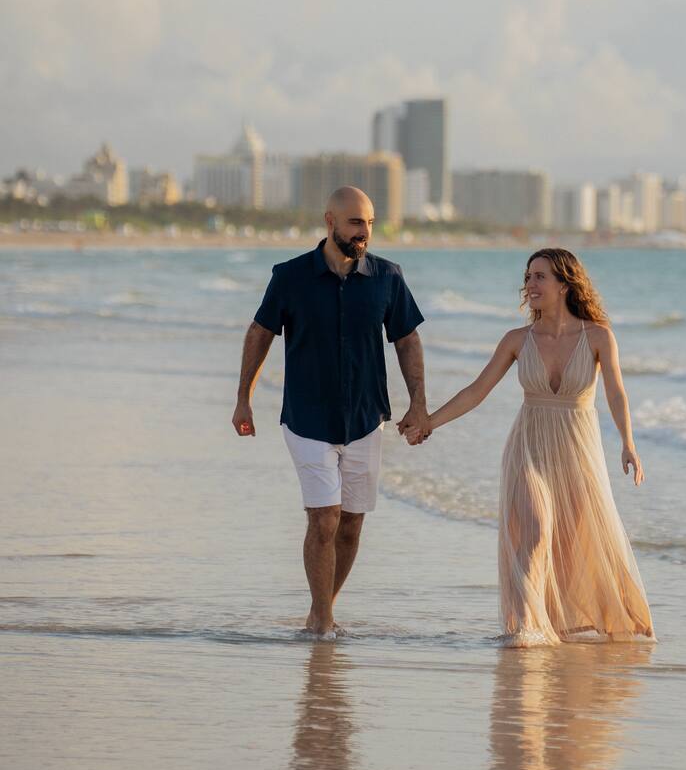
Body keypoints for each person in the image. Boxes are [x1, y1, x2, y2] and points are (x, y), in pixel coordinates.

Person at [408, 248, 654, 645]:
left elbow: (616, 394)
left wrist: (628, 443)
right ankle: (524, 628)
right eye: (528, 277)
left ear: (564, 283)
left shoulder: (598, 336)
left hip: (578, 451)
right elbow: (476, 391)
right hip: (529, 446)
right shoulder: (517, 340)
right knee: (537, 532)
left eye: (540, 276)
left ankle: (553, 624)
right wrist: (430, 423)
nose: (530, 285)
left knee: (572, 546)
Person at [233, 186, 429, 638]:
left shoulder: (388, 277)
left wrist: (418, 403)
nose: (364, 232)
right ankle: (323, 622)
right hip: (307, 416)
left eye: (370, 223)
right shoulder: (290, 276)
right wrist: (244, 397)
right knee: (324, 518)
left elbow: (407, 340)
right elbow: (260, 333)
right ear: (330, 221)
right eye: (355, 222)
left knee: (351, 524)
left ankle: (322, 607)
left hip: (365, 418)